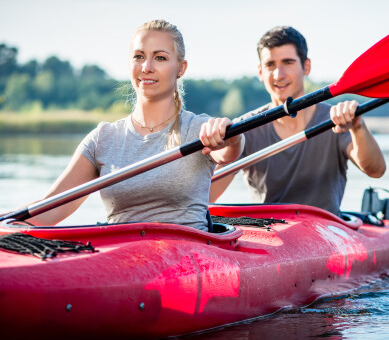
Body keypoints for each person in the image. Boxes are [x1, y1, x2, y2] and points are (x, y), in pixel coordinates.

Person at [24, 20, 244, 230]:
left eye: (160, 58)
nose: (146, 67)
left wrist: (231, 135)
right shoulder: (103, 138)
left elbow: (230, 152)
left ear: (181, 68)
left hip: (188, 259)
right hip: (124, 261)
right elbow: (46, 211)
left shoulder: (198, 129)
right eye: (139, 56)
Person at [210, 26, 385, 216]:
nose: (279, 74)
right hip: (270, 235)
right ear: (260, 72)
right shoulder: (246, 128)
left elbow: (375, 170)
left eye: (288, 62)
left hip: (327, 233)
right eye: (270, 65)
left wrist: (358, 127)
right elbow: (205, 196)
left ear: (306, 66)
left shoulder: (334, 119)